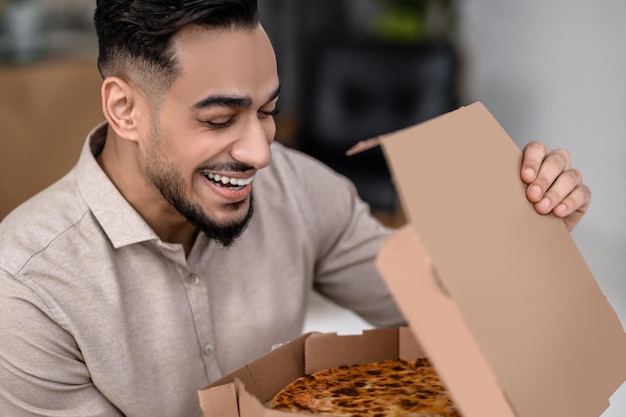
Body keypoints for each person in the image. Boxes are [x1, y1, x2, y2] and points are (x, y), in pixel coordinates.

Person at [0, 1, 591, 416]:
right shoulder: (28, 289)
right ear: (124, 110)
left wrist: (524, 232)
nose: (261, 152)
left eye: (267, 109)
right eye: (219, 118)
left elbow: (428, 296)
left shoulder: (298, 188)